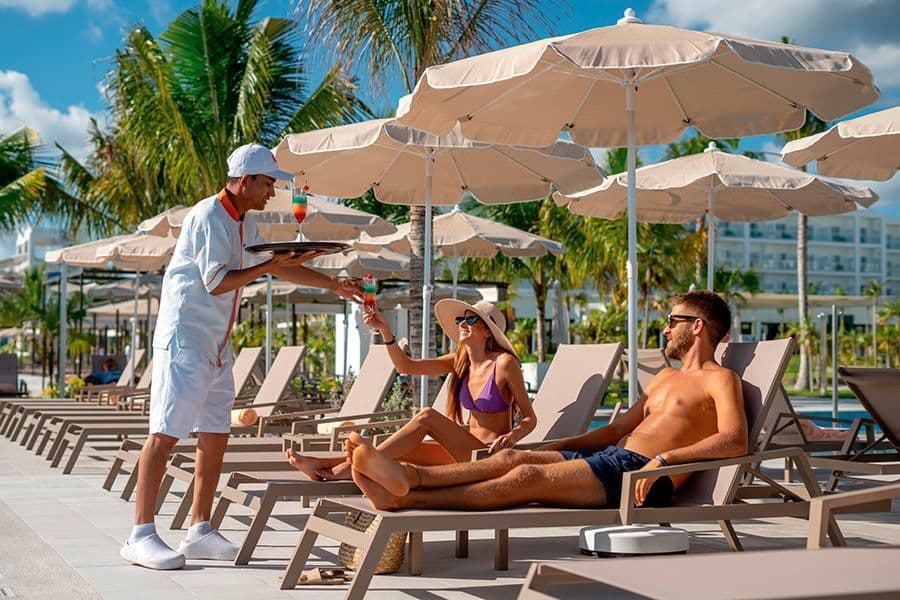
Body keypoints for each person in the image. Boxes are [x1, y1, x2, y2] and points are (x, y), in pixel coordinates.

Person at [120, 143, 362, 570]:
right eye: (268, 183)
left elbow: (276, 265)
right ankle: (139, 535)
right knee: (165, 433)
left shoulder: (244, 223)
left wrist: (334, 284)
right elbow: (217, 283)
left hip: (216, 343)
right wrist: (270, 267)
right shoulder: (208, 216)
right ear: (246, 180)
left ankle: (199, 529)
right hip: (185, 340)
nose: (272, 192)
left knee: (215, 432)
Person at [346, 290, 749, 512]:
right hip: (609, 459)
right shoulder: (664, 378)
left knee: (526, 480)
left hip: (638, 476)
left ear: (697, 327)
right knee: (510, 460)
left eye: (672, 321)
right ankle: (403, 478)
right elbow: (616, 430)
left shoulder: (721, 379)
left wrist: (665, 460)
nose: (665, 329)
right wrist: (553, 446)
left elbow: (734, 440)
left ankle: (408, 493)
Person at [285, 298, 537, 482]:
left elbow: (530, 418)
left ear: (487, 332)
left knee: (427, 416)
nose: (462, 323)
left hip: (488, 458)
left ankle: (341, 470)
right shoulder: (460, 362)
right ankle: (326, 467)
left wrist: (513, 436)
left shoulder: (504, 364)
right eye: (461, 319)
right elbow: (406, 366)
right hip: (463, 453)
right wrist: (385, 331)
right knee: (399, 449)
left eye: (471, 320)